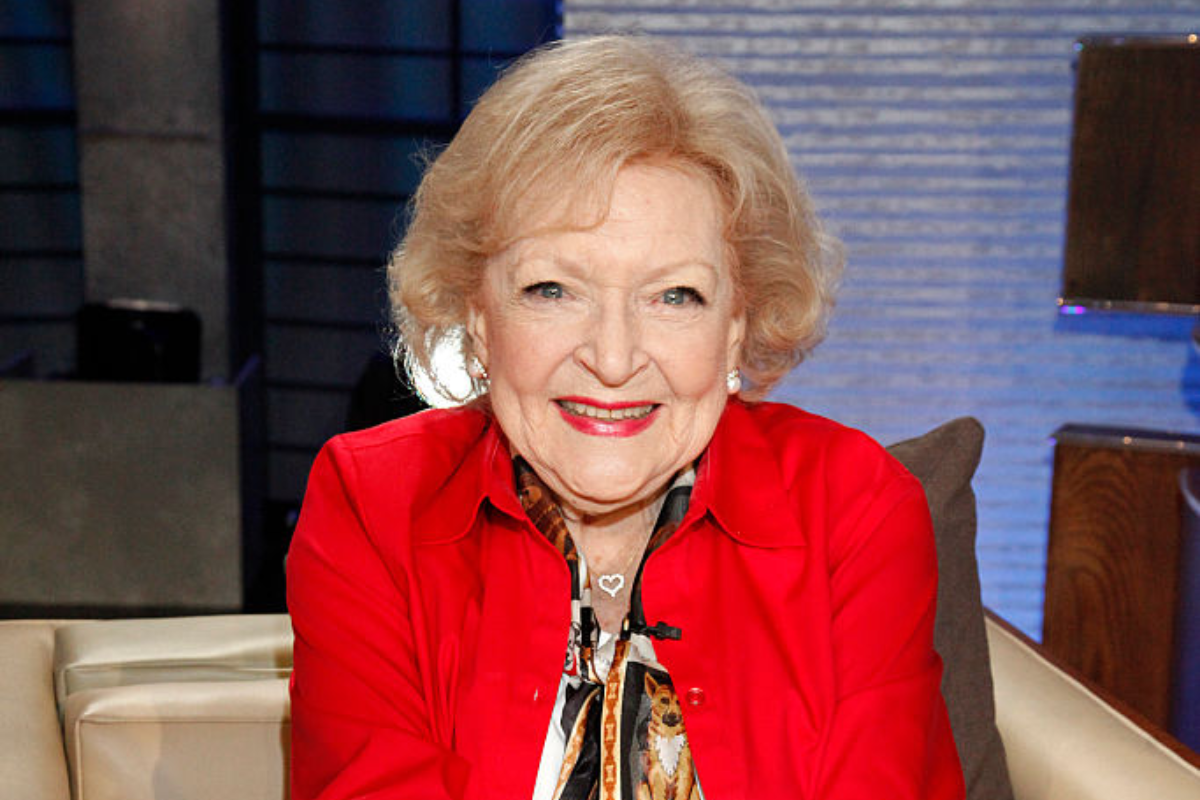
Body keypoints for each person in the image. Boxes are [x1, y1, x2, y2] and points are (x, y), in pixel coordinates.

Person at [287, 34, 965, 800]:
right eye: (552, 290)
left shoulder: (857, 511)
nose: (612, 359)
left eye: (675, 295)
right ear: (477, 319)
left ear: (735, 326)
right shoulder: (372, 504)